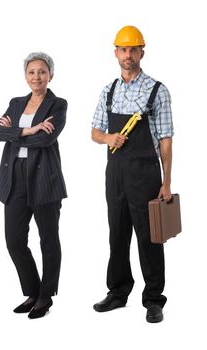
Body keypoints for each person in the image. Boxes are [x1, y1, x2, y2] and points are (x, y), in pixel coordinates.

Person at [91, 26, 173, 324]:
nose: (128, 54)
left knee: (150, 237)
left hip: (145, 173)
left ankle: (153, 299)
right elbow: (95, 132)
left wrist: (166, 182)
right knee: (118, 233)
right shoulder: (108, 91)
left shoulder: (157, 90)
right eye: (123, 49)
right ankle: (118, 291)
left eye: (133, 49)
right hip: (115, 173)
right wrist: (108, 138)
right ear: (116, 53)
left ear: (142, 52)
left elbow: (165, 138)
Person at [0, 52, 67, 319]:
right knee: (14, 240)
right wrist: (30, 130)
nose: (37, 76)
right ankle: (33, 291)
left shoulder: (57, 104)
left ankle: (46, 296)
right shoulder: (15, 103)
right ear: (26, 76)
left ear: (50, 75)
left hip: (45, 180)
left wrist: (16, 136)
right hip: (14, 180)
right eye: (32, 72)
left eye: (42, 72)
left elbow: (46, 141)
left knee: (48, 240)